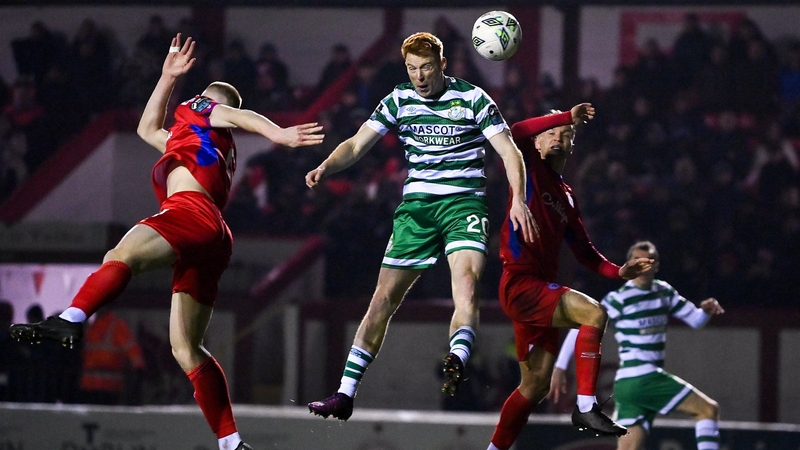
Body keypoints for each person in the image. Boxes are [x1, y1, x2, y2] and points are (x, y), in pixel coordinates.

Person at [9, 34, 323, 450]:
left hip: (189, 212)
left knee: (121, 255)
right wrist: (165, 77)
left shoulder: (201, 108)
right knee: (187, 349)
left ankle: (70, 320)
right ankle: (231, 442)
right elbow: (146, 129)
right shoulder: (199, 141)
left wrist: (277, 133)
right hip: (215, 234)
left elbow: (240, 115)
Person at [305, 31, 536, 421]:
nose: (419, 76)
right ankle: (345, 394)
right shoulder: (398, 99)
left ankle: (458, 356)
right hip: (416, 211)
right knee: (382, 300)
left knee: (466, 282)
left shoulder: (474, 99)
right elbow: (357, 145)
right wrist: (326, 165)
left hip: (463, 204)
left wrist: (518, 200)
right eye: (412, 68)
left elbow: (510, 152)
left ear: (442, 64)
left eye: (426, 67)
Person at [485, 105, 656, 450]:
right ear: (537, 144)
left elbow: (584, 252)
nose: (557, 137)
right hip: (521, 283)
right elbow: (517, 130)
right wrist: (565, 117)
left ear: (572, 146)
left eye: (565, 135)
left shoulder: (567, 196)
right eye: (550, 133)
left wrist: (619, 271)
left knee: (534, 387)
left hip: (538, 291)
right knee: (594, 313)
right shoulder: (527, 167)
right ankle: (586, 407)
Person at [551, 240, 724, 450]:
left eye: (648, 262)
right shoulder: (620, 298)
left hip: (628, 387)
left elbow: (695, 320)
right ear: (629, 265)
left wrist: (705, 311)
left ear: (656, 266)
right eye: (637, 261)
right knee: (708, 410)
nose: (642, 266)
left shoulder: (664, 292)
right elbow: (582, 327)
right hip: (643, 378)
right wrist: (560, 366)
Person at [80, 309, 145, 405]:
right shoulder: (90, 326)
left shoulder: (117, 326)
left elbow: (134, 353)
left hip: (109, 388)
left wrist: (138, 374)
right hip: (88, 387)